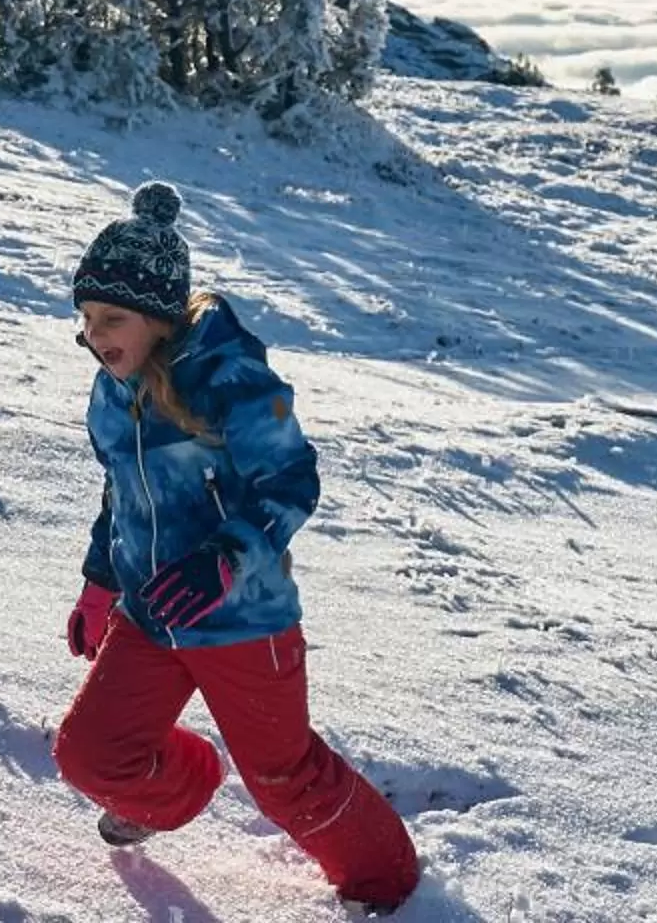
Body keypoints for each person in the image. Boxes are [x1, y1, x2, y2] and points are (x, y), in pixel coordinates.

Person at [51, 182, 421, 912]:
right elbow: (119, 491)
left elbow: (291, 481)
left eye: (111, 317)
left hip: (242, 619)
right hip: (151, 612)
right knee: (89, 753)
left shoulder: (232, 380)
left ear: (158, 317)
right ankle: (180, 789)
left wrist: (225, 557)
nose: (95, 333)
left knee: (286, 779)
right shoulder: (111, 389)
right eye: (87, 317)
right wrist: (101, 581)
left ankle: (392, 889)